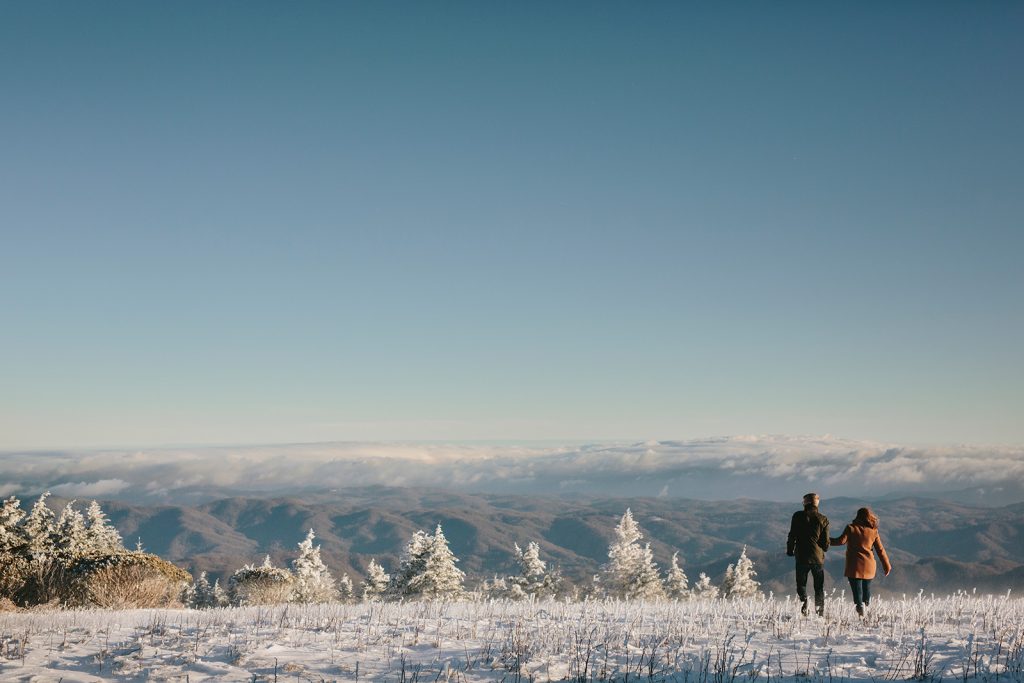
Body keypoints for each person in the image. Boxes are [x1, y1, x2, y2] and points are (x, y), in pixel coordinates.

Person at [830, 507, 891, 616]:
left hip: (854, 565)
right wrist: (887, 565)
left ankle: (861, 613)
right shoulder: (873, 532)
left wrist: (825, 540)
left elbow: (840, 541)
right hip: (869, 565)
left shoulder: (851, 528)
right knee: (866, 590)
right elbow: (880, 550)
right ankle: (866, 610)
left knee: (857, 591)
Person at [787, 492, 830, 616]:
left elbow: (792, 535)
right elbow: (826, 543)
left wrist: (790, 550)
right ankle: (820, 612)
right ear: (817, 503)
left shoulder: (797, 516)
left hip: (801, 556)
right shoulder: (823, 519)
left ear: (804, 503)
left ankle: (804, 605)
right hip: (818, 558)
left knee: (801, 584)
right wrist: (823, 548)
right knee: (819, 587)